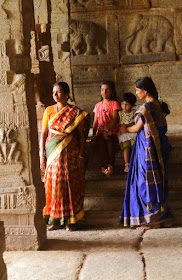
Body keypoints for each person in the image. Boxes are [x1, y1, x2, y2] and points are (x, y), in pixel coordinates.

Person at [119, 77, 172, 229]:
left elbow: (137, 128)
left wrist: (125, 129)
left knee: (146, 180)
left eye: (137, 90)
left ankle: (152, 219)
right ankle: (161, 216)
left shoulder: (146, 108)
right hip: (159, 146)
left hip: (147, 149)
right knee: (158, 179)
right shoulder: (159, 105)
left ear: (145, 91)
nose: (136, 93)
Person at [39, 82, 89, 231]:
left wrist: (81, 154)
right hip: (52, 152)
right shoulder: (48, 111)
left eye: (59, 92)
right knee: (54, 185)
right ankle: (55, 219)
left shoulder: (75, 112)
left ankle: (70, 220)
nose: (55, 95)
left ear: (67, 94)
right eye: (54, 92)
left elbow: (81, 136)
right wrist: (42, 154)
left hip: (70, 153)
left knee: (70, 184)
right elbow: (43, 134)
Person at [92, 80, 121, 177]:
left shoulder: (114, 104)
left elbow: (115, 119)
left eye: (107, 90)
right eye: (102, 90)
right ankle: (107, 166)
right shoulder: (97, 106)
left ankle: (109, 167)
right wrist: (93, 134)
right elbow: (95, 122)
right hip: (100, 132)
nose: (104, 92)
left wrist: (107, 130)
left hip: (112, 131)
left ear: (112, 92)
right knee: (100, 145)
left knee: (110, 145)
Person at [118, 92, 137, 172]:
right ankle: (127, 164)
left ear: (132, 105)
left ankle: (135, 163)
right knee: (126, 147)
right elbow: (117, 123)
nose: (124, 106)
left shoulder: (134, 113)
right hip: (123, 133)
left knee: (134, 145)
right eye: (122, 104)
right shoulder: (120, 113)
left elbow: (136, 123)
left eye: (127, 104)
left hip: (133, 131)